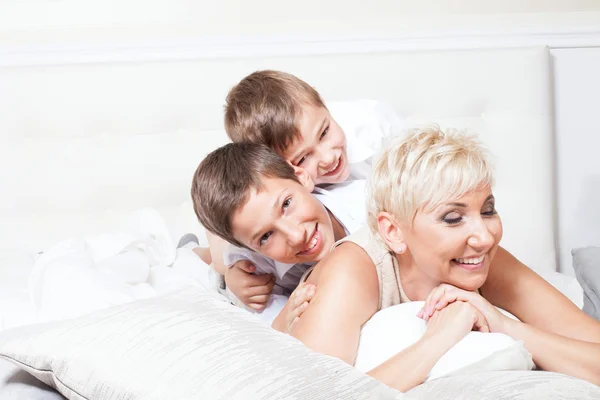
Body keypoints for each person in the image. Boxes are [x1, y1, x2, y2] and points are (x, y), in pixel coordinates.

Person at [274, 126, 600, 391]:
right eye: (452, 218)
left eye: (488, 210)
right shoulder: (353, 271)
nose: (485, 237)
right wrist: (438, 340)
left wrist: (504, 325)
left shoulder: (482, 256)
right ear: (393, 232)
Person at [195, 70, 405, 312]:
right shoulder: (278, 197)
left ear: (325, 106)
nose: (328, 158)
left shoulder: (373, 126)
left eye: (324, 133)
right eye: (303, 158)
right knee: (227, 239)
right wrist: (233, 274)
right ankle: (204, 253)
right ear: (282, 167)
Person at [191, 142, 363, 325]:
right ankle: (196, 249)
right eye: (266, 236)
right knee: (221, 266)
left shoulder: (366, 201)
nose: (297, 237)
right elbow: (273, 325)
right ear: (251, 248)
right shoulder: (254, 269)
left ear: (300, 176)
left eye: (286, 204)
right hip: (236, 253)